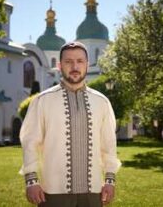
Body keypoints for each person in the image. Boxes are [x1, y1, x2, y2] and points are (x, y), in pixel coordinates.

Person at [19, 41, 121, 207]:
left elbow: (109, 145)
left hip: (93, 192)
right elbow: (29, 142)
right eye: (68, 62)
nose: (75, 66)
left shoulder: (101, 102)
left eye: (80, 61)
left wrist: (110, 180)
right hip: (53, 193)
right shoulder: (42, 101)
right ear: (60, 66)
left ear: (87, 65)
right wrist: (31, 181)